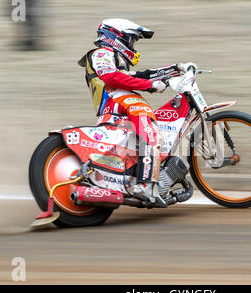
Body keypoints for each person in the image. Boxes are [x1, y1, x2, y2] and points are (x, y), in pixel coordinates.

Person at [78, 19, 190, 207]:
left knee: (151, 130)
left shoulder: (115, 59)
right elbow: (112, 77)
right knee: (150, 130)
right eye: (131, 41)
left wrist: (175, 69)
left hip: (121, 106)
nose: (132, 46)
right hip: (115, 105)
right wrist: (150, 86)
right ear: (116, 37)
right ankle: (145, 184)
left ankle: (148, 177)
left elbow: (140, 75)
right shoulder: (101, 53)